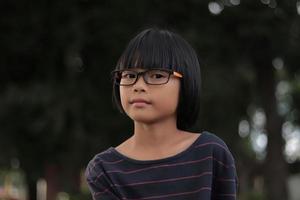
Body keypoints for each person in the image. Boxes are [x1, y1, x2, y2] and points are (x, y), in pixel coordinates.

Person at [85, 27, 238, 200]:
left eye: (156, 75)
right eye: (129, 75)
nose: (138, 86)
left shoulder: (211, 153)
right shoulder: (104, 169)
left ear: (186, 83)